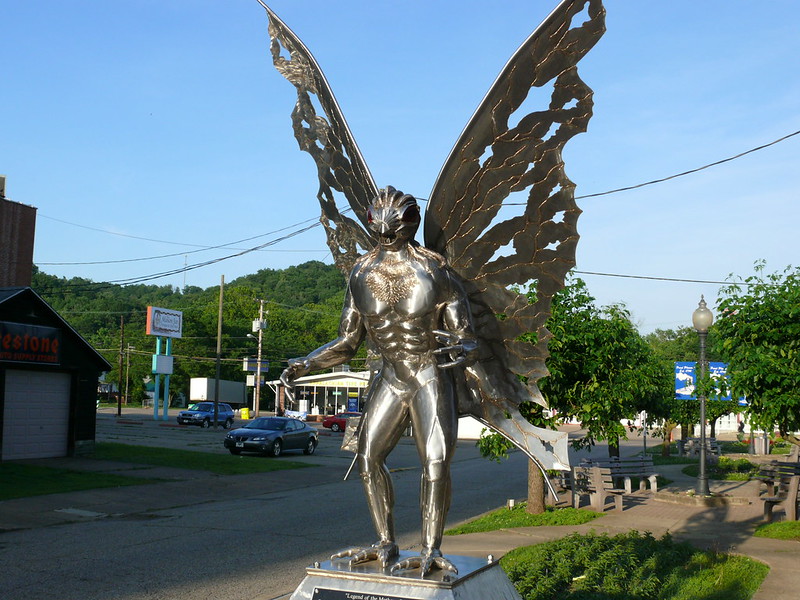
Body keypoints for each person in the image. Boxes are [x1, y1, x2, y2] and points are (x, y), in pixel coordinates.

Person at [281, 187, 476, 576]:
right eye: (381, 230)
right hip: (390, 376)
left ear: (409, 224)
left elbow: (467, 334)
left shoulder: (436, 272)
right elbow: (348, 341)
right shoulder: (360, 274)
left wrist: (462, 346)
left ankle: (430, 548)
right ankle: (386, 542)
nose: (386, 237)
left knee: (435, 463)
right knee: (368, 456)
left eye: (393, 230)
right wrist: (306, 362)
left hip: (428, 374)